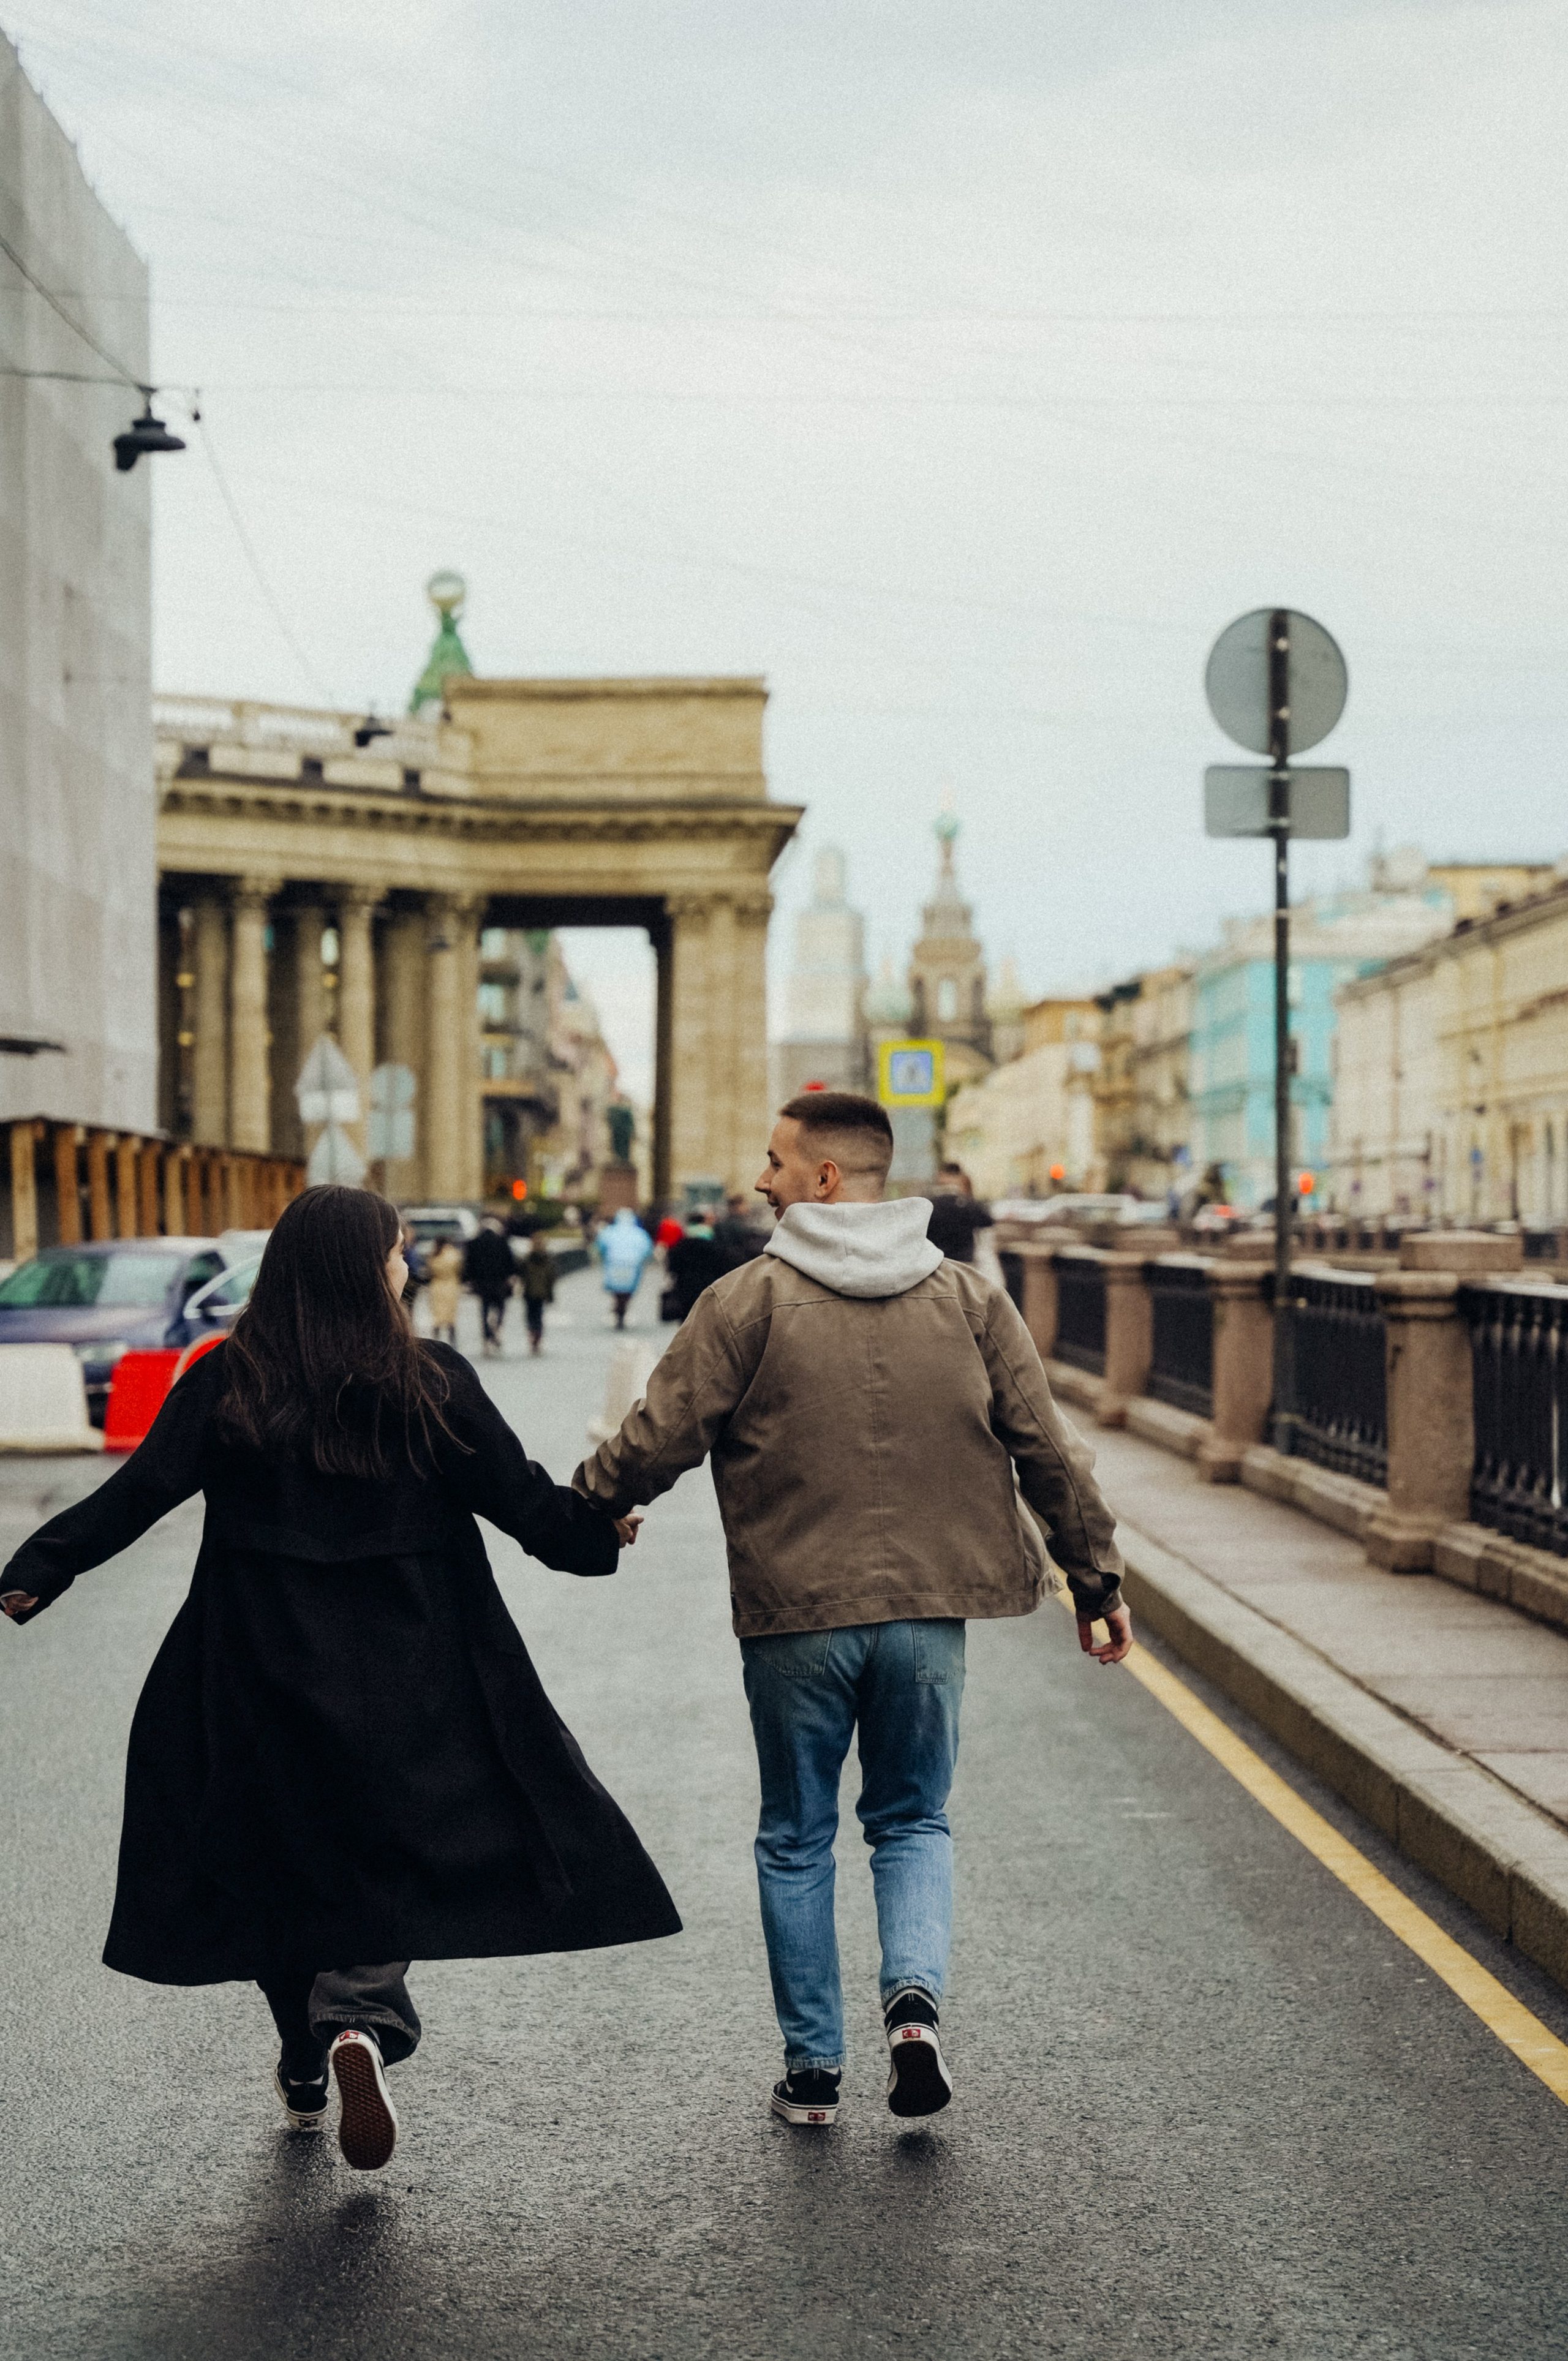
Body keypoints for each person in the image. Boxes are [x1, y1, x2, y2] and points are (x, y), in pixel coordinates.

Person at [0, 1185, 674, 2172]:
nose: (407, 1264)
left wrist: (36, 1568)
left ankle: (305, 2051)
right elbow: (523, 1503)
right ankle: (358, 2020)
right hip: (415, 1663)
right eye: (399, 1251)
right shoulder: (430, 1381)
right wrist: (597, 1531)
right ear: (370, 1267)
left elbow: (139, 1491)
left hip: (255, 1659)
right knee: (391, 1846)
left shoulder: (230, 1379)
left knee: (280, 1852)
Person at [574, 1092, 1129, 2130]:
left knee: (796, 1837)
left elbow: (659, 1436)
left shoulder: (749, 1301)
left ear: (827, 1179)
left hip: (797, 1615)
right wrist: (1096, 1582)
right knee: (913, 1819)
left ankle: (815, 2071)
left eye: (776, 1161)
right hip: (930, 1614)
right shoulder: (968, 1301)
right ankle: (912, 2011)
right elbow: (1051, 1450)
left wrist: (590, 1507)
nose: (761, 1178)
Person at [464, 1216, 516, 1357]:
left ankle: (487, 1337)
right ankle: (497, 1329)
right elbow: (511, 1263)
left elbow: (469, 1265)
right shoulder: (502, 1242)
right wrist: (512, 1277)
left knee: (485, 1310)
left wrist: (469, 1281)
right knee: (500, 1308)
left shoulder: (474, 1243)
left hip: (482, 1283)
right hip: (500, 1283)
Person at [924, 1162, 994, 1265]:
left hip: (937, 1262)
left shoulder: (930, 1204)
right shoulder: (966, 1204)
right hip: (965, 1261)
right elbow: (987, 1222)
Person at [595, 1204, 653, 1329]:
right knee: (628, 1291)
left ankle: (618, 1307)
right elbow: (647, 1250)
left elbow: (601, 1247)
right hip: (633, 1266)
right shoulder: (640, 1234)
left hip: (614, 1265)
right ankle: (622, 1308)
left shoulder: (609, 1232)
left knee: (617, 1290)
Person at [663, 1210, 726, 1322]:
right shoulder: (714, 1246)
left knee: (687, 1322)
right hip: (709, 1288)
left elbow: (672, 1268)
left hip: (685, 1290)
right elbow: (722, 1267)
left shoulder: (680, 1246)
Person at [521, 1232, 556, 1355]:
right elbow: (551, 1277)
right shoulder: (548, 1259)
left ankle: (532, 1334)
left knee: (530, 1315)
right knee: (539, 1315)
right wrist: (551, 1294)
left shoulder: (527, 1258)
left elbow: (522, 1274)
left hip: (529, 1291)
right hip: (542, 1292)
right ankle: (538, 1337)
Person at [714, 1191, 765, 1273]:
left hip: (725, 1264)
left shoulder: (721, 1224)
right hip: (738, 1264)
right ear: (737, 1206)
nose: (748, 1208)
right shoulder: (739, 1226)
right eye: (745, 1205)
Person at [425, 1235, 464, 1345]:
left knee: (437, 1318)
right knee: (451, 1318)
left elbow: (430, 1271)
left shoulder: (434, 1255)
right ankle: (453, 1343)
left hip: (437, 1286)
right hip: (451, 1286)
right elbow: (459, 1269)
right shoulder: (454, 1254)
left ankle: (435, 1342)